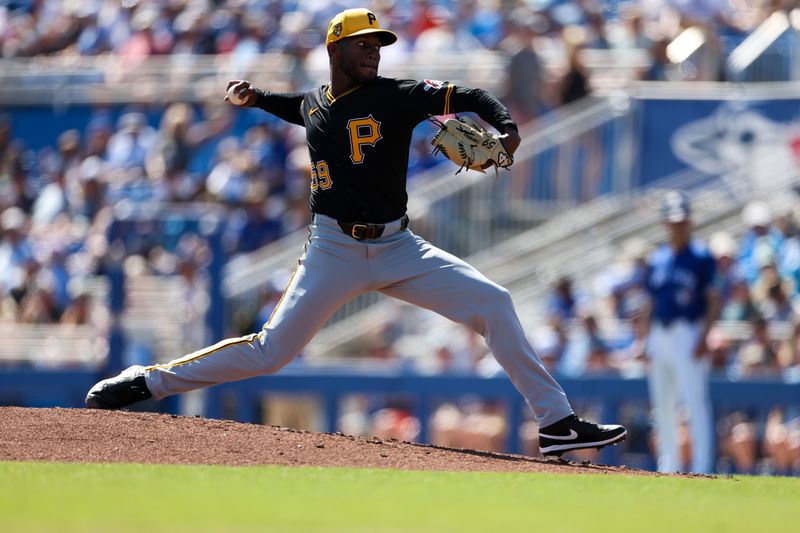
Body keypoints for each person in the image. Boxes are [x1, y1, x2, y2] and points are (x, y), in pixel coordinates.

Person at [85, 8, 626, 457]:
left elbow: (473, 96)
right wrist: (254, 98)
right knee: (270, 351)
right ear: (335, 50)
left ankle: (557, 424)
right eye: (363, 44)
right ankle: (149, 381)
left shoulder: (398, 95)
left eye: (378, 45)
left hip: (397, 246)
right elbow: (297, 108)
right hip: (333, 249)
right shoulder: (315, 103)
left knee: (494, 301)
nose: (373, 52)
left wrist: (506, 127)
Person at [642, 191, 720, 473]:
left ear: (690, 222)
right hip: (660, 334)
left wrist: (704, 336)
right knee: (662, 404)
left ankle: (702, 465)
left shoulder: (701, 256)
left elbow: (713, 300)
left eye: (683, 221)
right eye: (674, 221)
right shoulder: (659, 258)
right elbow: (649, 303)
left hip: (689, 331)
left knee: (694, 401)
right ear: (665, 223)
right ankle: (668, 464)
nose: (679, 226)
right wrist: (644, 341)